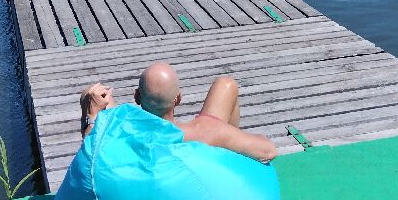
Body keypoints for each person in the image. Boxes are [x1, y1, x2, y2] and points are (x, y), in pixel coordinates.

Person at [79, 62, 277, 163]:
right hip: (205, 145)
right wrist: (235, 137)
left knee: (225, 85)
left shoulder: (123, 129)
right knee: (227, 85)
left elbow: (91, 149)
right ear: (179, 99)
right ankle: (230, 162)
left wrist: (92, 115)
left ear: (137, 97)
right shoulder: (207, 131)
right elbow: (269, 150)